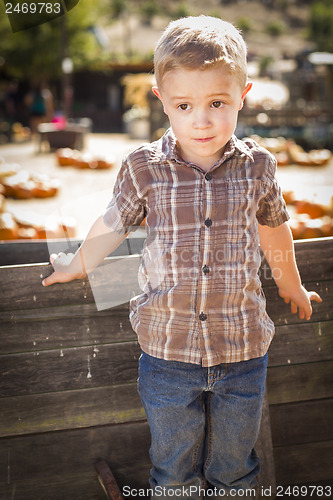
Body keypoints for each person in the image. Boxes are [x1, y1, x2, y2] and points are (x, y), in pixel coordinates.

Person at [42, 16, 322, 499]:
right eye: (184, 105)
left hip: (243, 349)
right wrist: (78, 264)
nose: (202, 119)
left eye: (217, 103)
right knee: (174, 472)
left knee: (235, 470)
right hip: (167, 353)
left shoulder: (259, 166)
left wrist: (289, 284)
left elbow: (274, 227)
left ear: (243, 94)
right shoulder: (144, 168)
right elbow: (114, 222)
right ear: (161, 100)